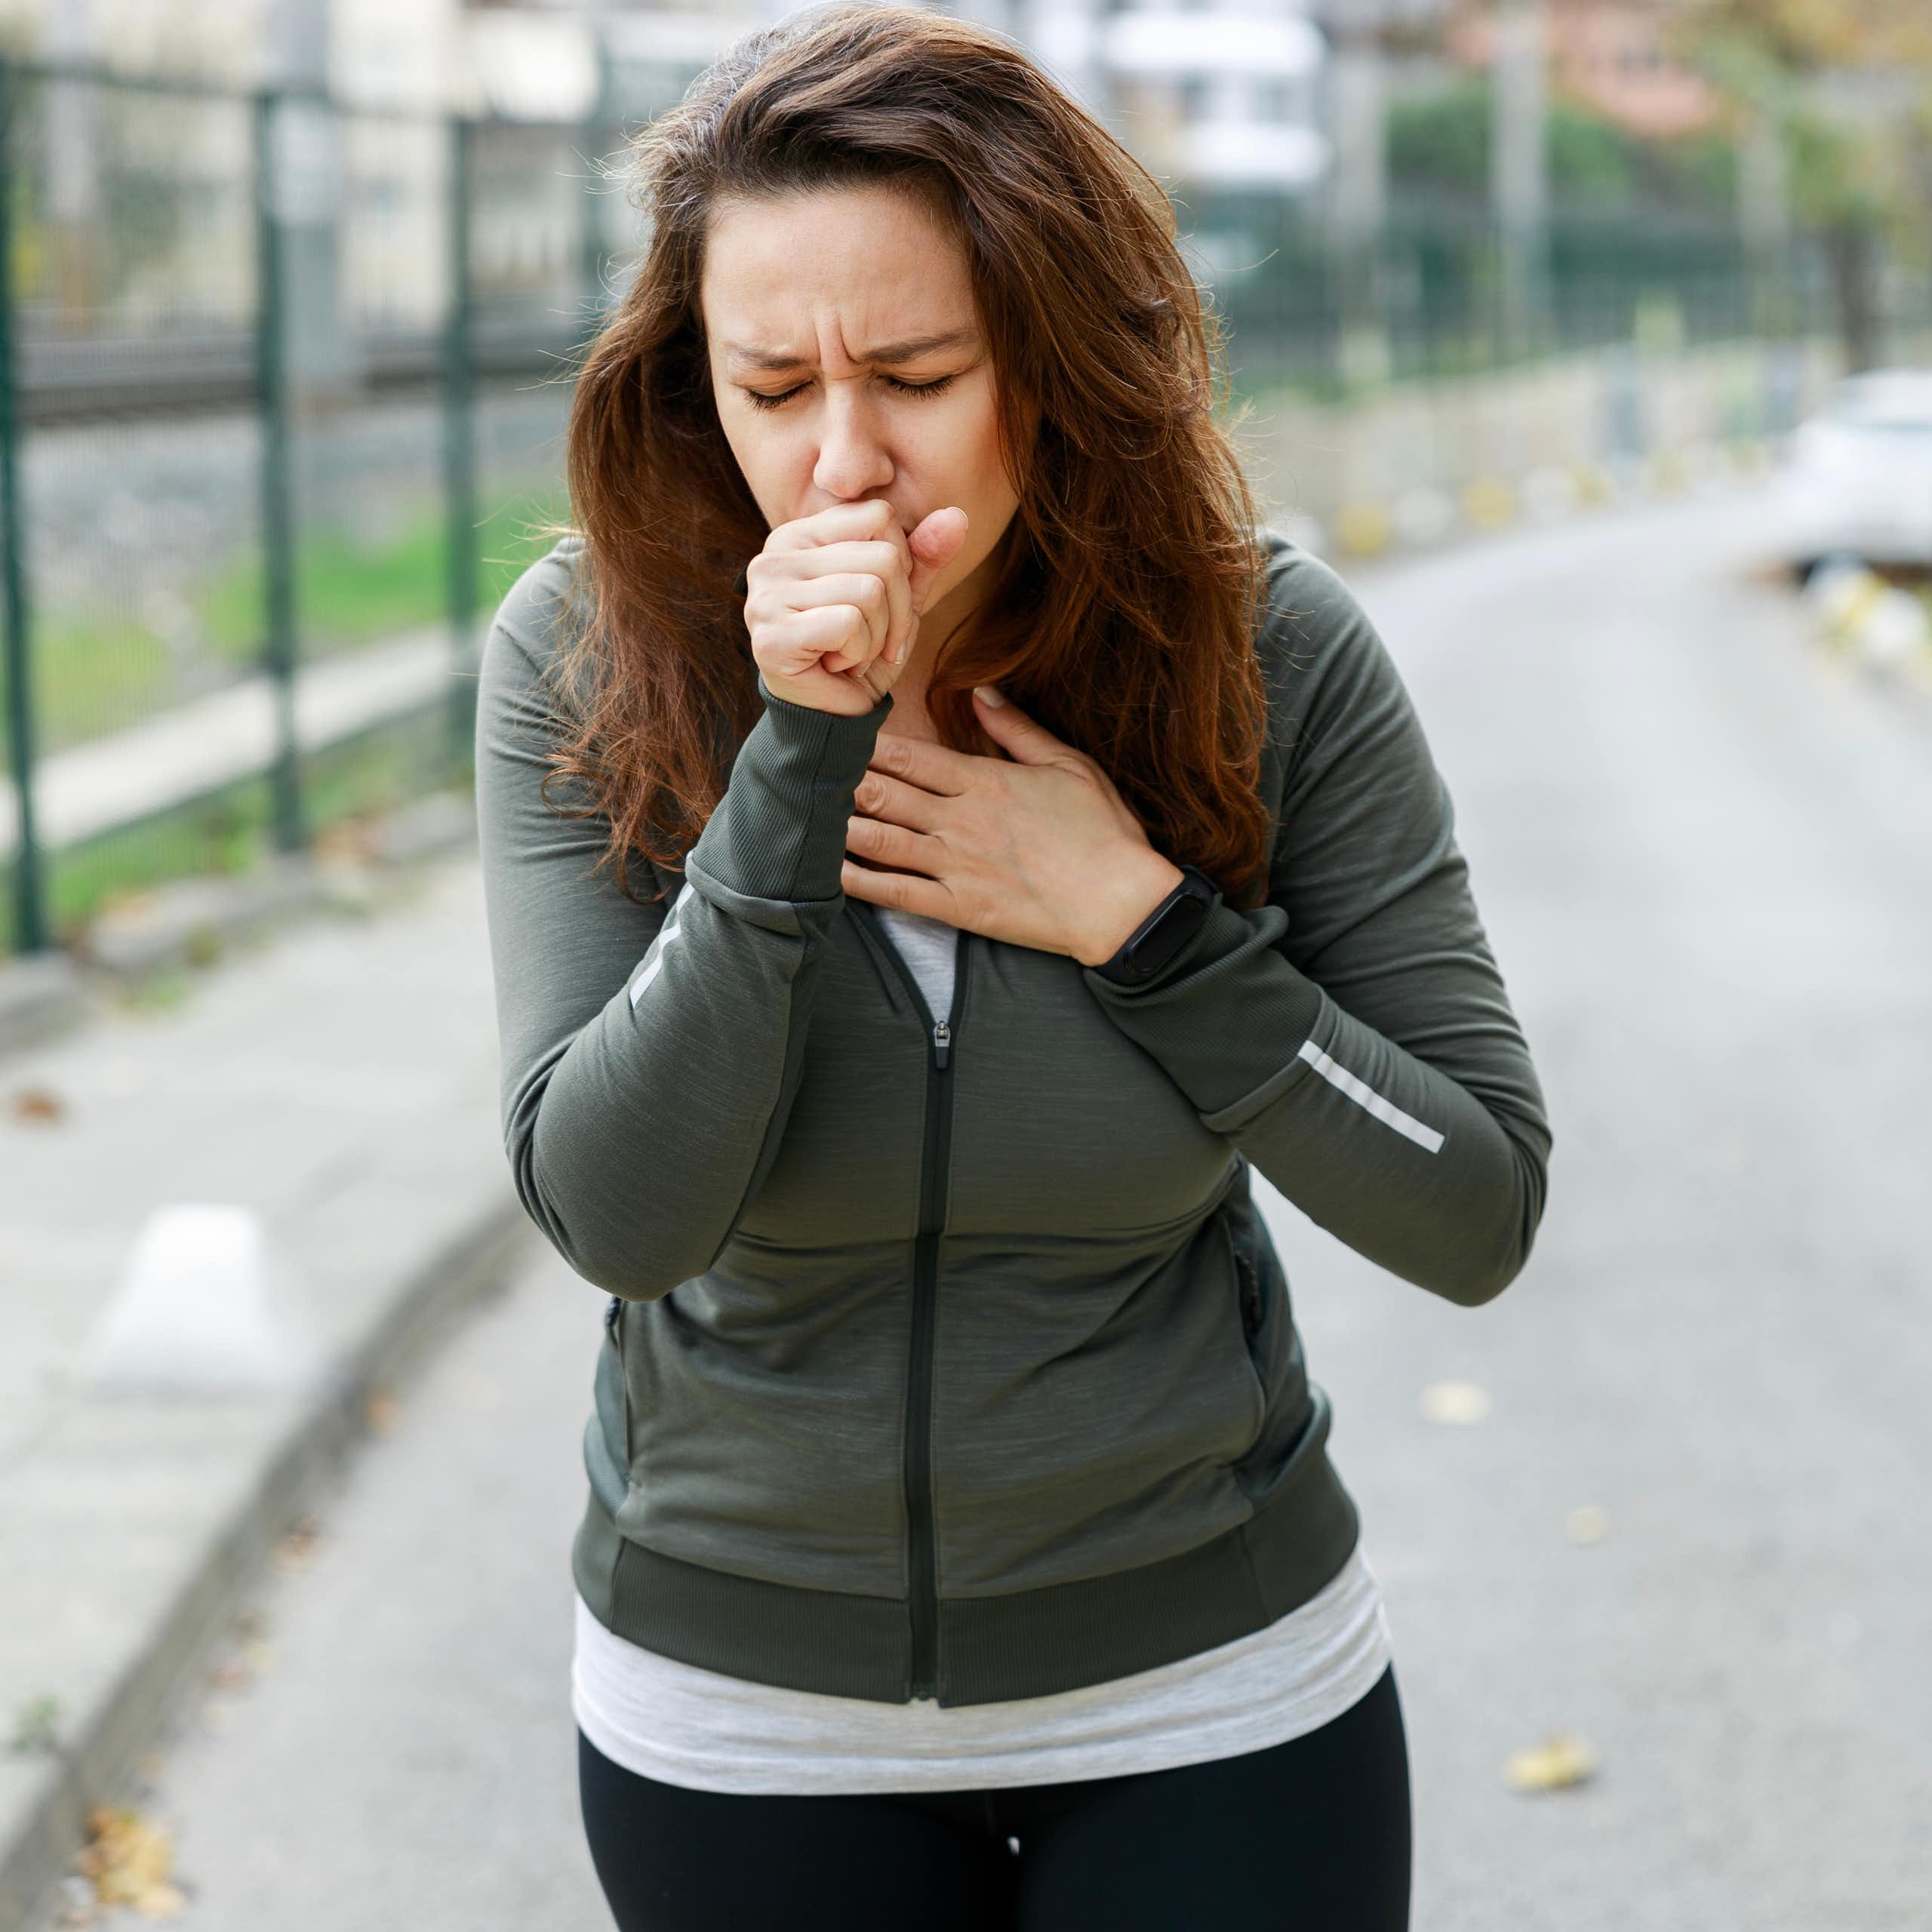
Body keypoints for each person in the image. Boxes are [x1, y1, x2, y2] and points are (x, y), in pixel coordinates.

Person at [473, 5, 1552, 1927]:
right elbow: (620, 1208)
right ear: (682, 382)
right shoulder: (588, 652)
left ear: (1048, 363)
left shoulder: (1267, 650)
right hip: (742, 1717)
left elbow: (1472, 1205)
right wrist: (794, 752)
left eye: (912, 371)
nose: (838, 457)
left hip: (1216, 1693)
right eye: (766, 383)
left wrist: (1142, 925)